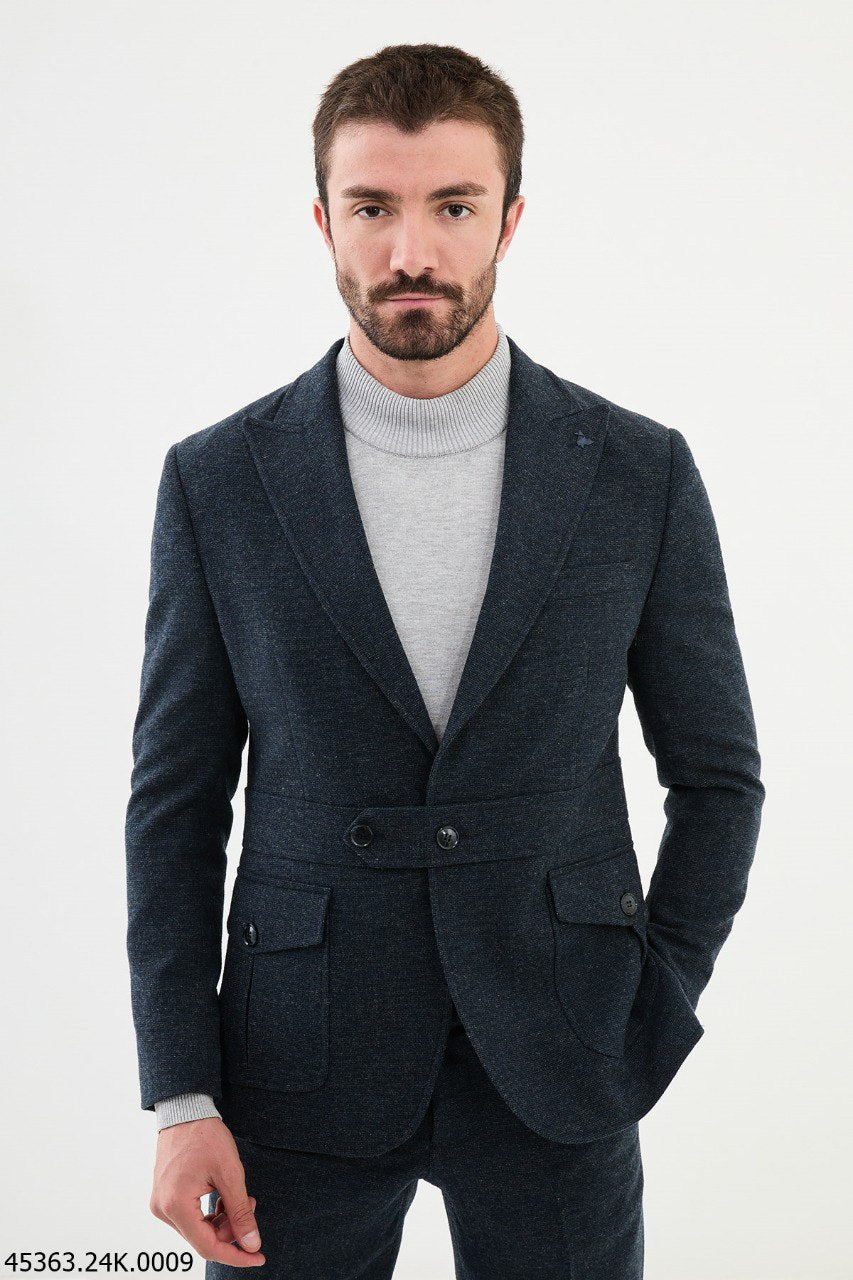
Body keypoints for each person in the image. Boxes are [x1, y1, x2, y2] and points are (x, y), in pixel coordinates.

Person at [125, 43, 765, 1280]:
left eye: (454, 207)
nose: (410, 251)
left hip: (561, 1046)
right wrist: (180, 1093)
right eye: (372, 207)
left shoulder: (637, 472)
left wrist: (651, 1001)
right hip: (295, 1058)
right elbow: (174, 803)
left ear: (510, 219)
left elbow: (719, 776)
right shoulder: (219, 481)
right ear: (323, 220)